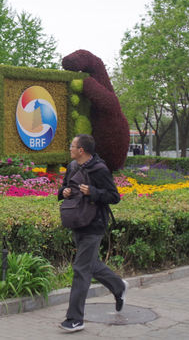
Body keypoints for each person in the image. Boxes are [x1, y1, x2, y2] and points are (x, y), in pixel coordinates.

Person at [57, 134, 128, 333]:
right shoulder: (72, 166)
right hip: (77, 220)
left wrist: (93, 192)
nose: (70, 148)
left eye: (72, 146)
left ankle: (75, 319)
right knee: (90, 264)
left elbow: (114, 196)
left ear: (82, 150)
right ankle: (118, 287)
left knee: (81, 269)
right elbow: (64, 188)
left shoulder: (99, 169)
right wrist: (64, 192)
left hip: (94, 224)